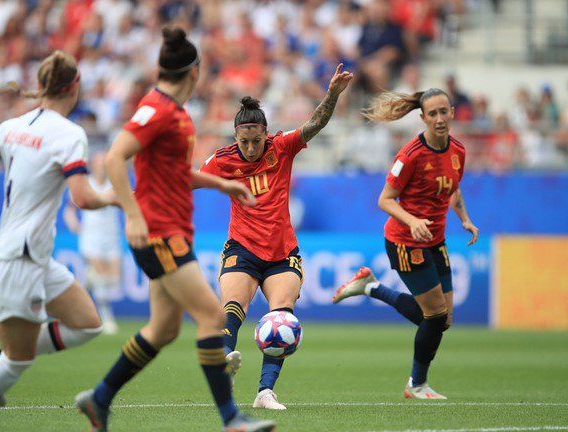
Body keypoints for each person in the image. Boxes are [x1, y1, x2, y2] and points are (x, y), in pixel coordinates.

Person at [74, 27, 275, 432]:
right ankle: (231, 419)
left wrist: (222, 183)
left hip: (171, 232)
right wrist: (132, 215)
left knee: (163, 329)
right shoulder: (158, 109)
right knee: (210, 315)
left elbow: (175, 172)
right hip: (159, 234)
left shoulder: (175, 114)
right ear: (195, 71)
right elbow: (115, 158)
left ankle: (99, 399)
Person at [0, 50, 117, 432]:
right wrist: (120, 197)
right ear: (74, 87)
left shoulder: (13, 126)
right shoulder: (70, 135)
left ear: (41, 87)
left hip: (31, 256)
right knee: (18, 360)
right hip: (17, 259)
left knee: (87, 323)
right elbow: (84, 198)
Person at [200, 64, 353, 410]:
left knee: (281, 319)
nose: (251, 149)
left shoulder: (282, 147)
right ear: (234, 136)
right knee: (233, 306)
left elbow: (316, 124)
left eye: (257, 141)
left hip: (283, 252)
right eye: (244, 142)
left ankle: (265, 392)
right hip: (242, 247)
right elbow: (189, 181)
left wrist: (331, 95)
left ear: (266, 134)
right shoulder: (222, 160)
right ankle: (224, 363)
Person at [333, 88, 479, 399]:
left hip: (435, 240)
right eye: (433, 114)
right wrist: (412, 221)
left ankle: (370, 287)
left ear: (452, 112)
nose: (439, 119)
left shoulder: (458, 151)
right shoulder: (410, 155)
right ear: (423, 117)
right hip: (404, 241)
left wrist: (464, 218)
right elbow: (384, 200)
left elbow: (454, 188)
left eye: (444, 112)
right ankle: (416, 384)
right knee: (435, 316)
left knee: (443, 319)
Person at [64, 151, 122, 335]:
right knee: (102, 277)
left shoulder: (115, 183)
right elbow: (70, 209)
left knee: (113, 279)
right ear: (93, 165)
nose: (102, 166)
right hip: (91, 236)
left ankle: (86, 283)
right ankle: (106, 318)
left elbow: (127, 205)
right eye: (99, 163)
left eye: (105, 163)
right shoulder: (85, 183)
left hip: (111, 236)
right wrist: (73, 223)